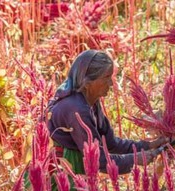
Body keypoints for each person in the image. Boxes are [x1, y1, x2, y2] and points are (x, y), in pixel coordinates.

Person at [47, 49, 168, 177]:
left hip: (75, 168)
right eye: (106, 78)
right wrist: (134, 159)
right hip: (60, 172)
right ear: (87, 82)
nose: (111, 83)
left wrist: (149, 145)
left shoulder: (92, 103)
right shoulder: (76, 109)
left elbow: (111, 143)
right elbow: (98, 160)